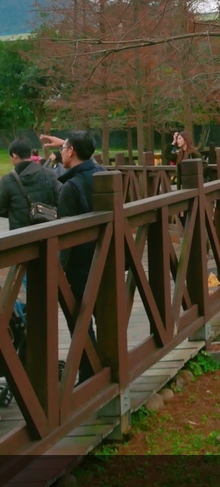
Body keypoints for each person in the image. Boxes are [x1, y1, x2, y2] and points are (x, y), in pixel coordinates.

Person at [57, 131, 104, 382]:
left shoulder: (70, 187)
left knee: (80, 319)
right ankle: (105, 364)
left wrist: (58, 271)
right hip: (107, 256)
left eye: (64, 147)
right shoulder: (103, 175)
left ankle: (89, 372)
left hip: (80, 264)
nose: (61, 152)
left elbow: (64, 238)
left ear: (72, 151)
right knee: (106, 313)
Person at [0, 139, 61, 231]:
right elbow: (59, 200)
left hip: (21, 233)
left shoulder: (7, 180)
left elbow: (1, 209)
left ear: (14, 155)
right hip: (47, 231)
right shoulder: (49, 174)